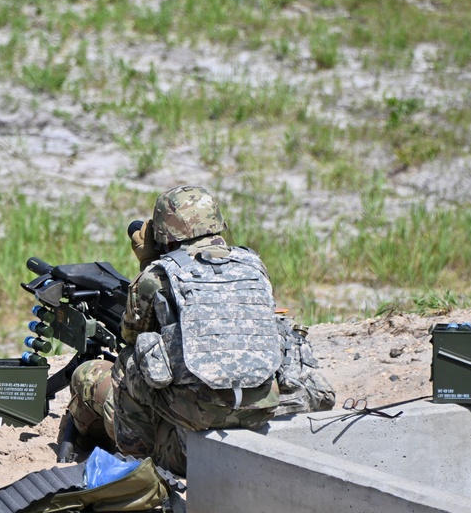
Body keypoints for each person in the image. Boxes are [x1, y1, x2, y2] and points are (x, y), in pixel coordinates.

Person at [65, 185, 335, 474]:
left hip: (186, 443)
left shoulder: (156, 277)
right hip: (259, 417)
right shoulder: (252, 264)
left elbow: (131, 335)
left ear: (163, 232)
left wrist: (148, 262)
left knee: (130, 360)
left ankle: (137, 460)